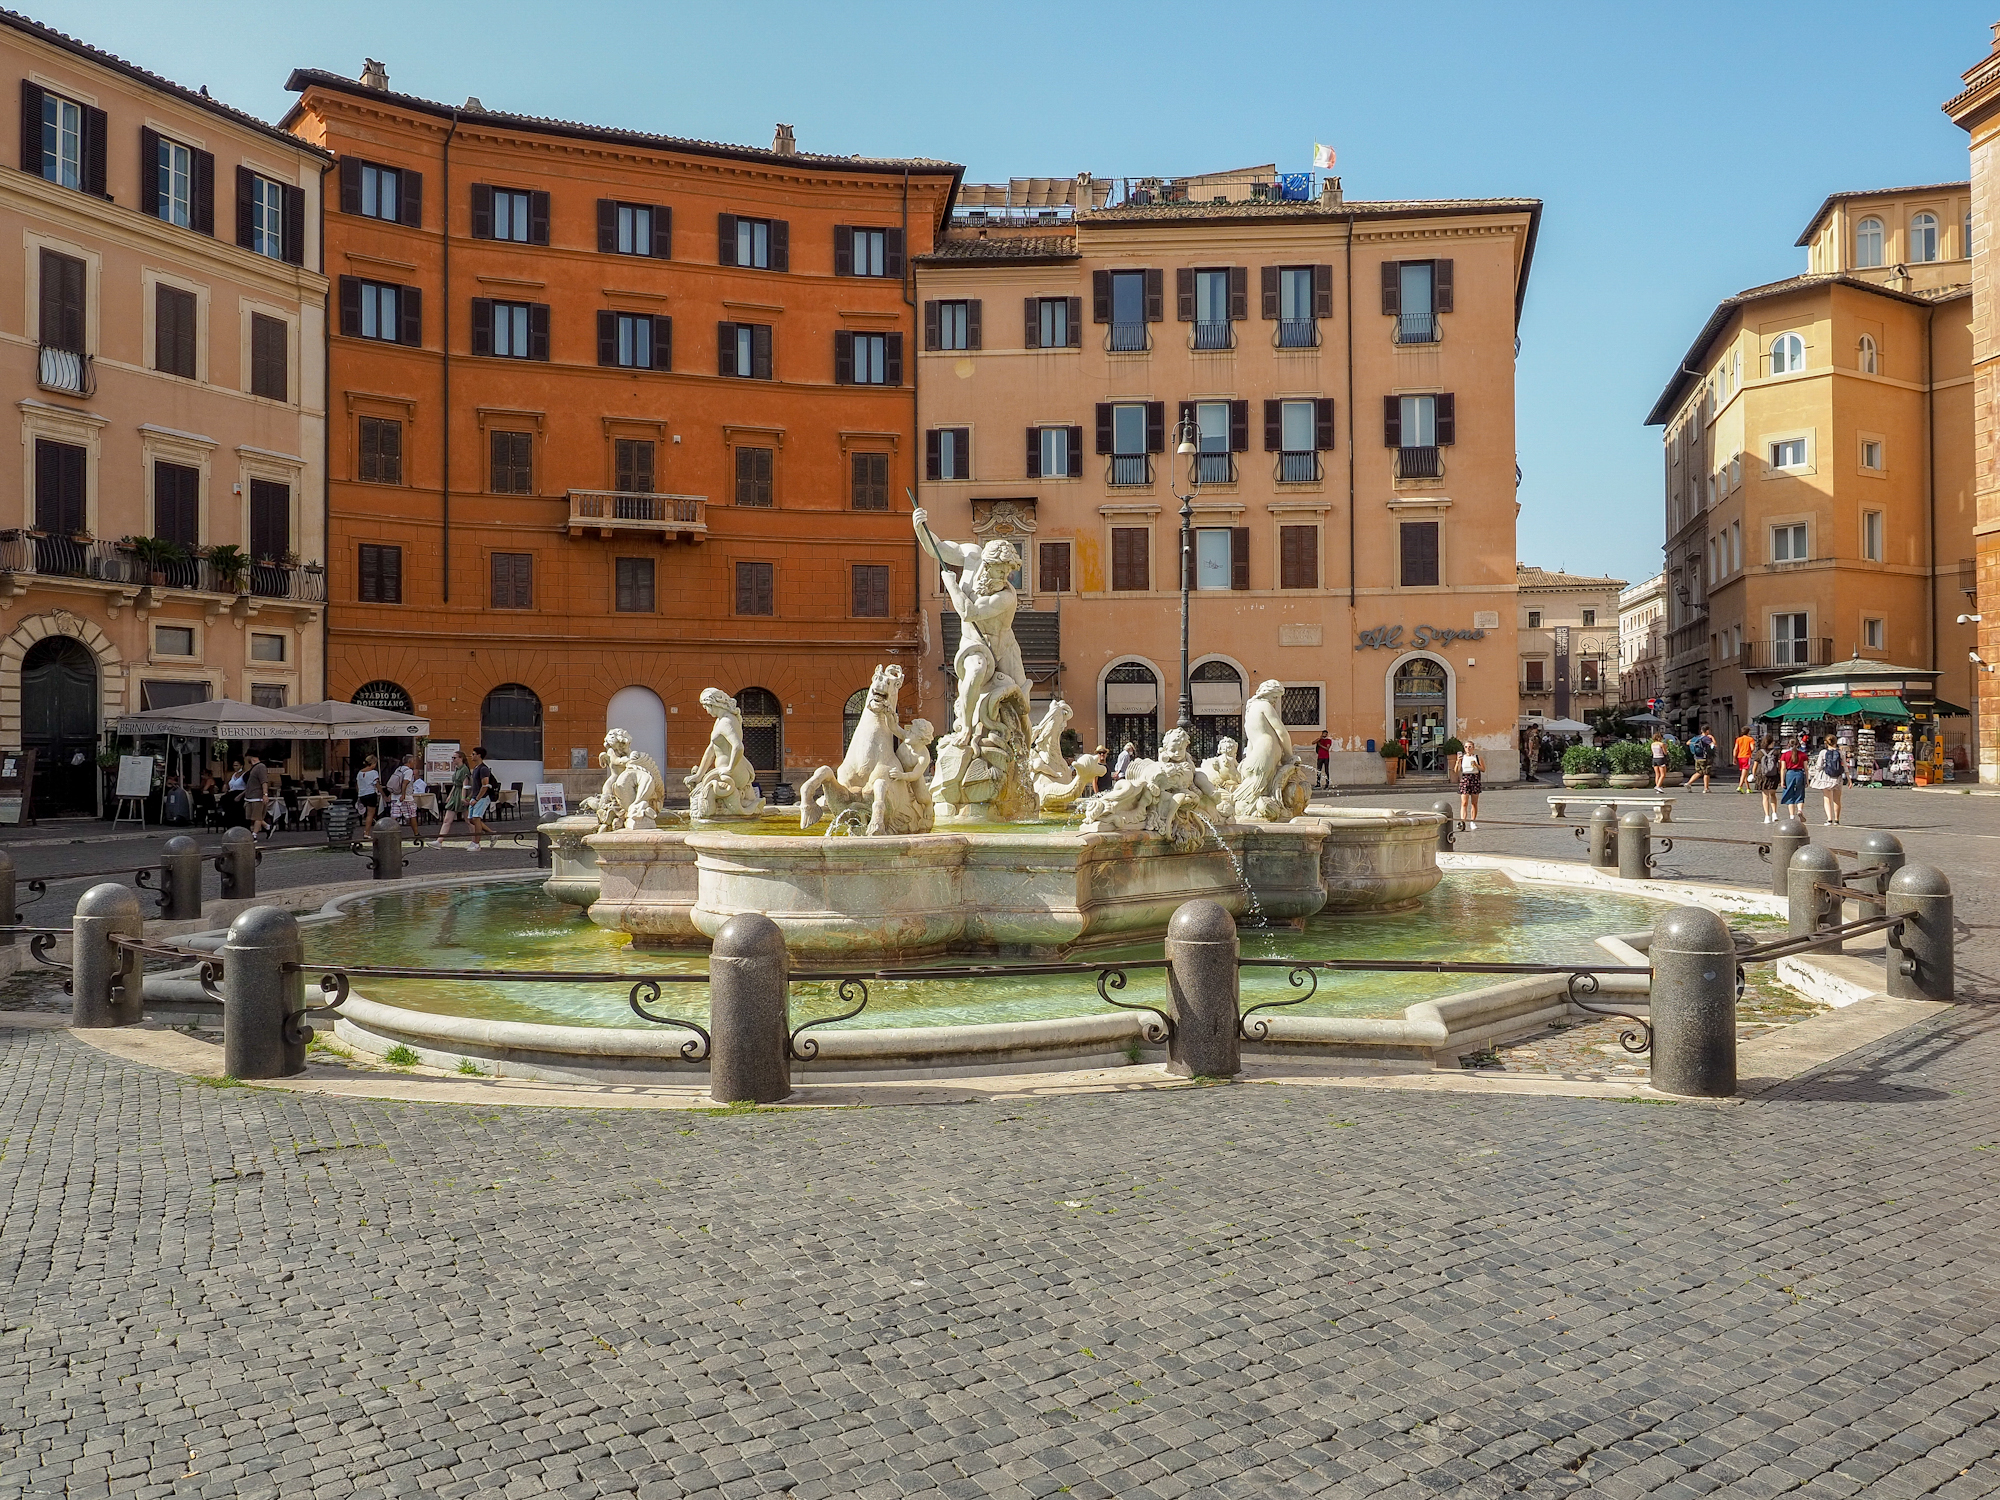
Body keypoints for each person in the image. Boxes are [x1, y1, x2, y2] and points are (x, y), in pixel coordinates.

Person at [464, 745, 498, 850]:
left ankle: (476, 843)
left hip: (483, 797)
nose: (471, 756)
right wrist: (470, 797)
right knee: (471, 819)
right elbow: (476, 786)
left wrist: (477, 799)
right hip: (475, 797)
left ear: (479, 756)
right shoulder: (476, 768)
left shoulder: (483, 769)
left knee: (476, 818)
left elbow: (485, 786)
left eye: (473, 754)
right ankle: (492, 834)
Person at [1810, 733, 1845, 826]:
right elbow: (1845, 766)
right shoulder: (1841, 752)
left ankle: (1829, 819)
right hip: (1837, 778)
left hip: (1826, 777)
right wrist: (1849, 779)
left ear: (1826, 743)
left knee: (1827, 798)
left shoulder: (1823, 752)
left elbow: (1819, 766)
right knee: (1837, 799)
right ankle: (1837, 820)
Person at [435, 750, 470, 842]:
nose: (452, 759)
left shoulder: (464, 770)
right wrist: (450, 795)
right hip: (455, 794)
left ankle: (477, 839)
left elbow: (465, 785)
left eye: (454, 758)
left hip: (461, 794)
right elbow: (455, 784)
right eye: (452, 758)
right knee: (447, 819)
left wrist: (463, 798)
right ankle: (439, 840)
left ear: (460, 758)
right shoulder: (457, 769)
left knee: (469, 820)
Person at [1779, 732, 1810, 816]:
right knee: (1800, 793)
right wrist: (1807, 780)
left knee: (1790, 794)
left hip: (1789, 774)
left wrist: (1782, 780)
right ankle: (1800, 810)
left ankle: (1792, 816)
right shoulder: (1803, 755)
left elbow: (1783, 768)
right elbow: (1806, 768)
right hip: (1800, 774)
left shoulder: (1785, 755)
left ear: (1788, 745)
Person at [1457, 739, 1484, 831]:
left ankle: (1472, 821)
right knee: (1464, 802)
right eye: (1466, 747)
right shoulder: (1462, 758)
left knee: (1474, 802)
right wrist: (1457, 761)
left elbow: (1483, 769)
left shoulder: (1477, 757)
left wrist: (1476, 765)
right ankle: (1463, 821)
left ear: (1473, 748)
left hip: (1475, 778)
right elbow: (1456, 770)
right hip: (1465, 778)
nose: (1468, 749)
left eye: (1470, 747)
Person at [385, 753, 418, 828]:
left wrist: (391, 793)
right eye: (414, 761)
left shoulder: (398, 769)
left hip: (395, 796)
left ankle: (389, 831)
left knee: (394, 815)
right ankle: (416, 834)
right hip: (406, 797)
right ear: (410, 762)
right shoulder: (409, 771)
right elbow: (404, 783)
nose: (414, 763)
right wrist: (403, 795)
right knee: (412, 815)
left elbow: (393, 782)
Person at [1756, 735, 1784, 823]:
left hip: (1763, 776)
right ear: (1771, 743)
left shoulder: (1760, 753)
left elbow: (1755, 765)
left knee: (1765, 797)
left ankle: (1766, 816)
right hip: (1773, 775)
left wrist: (1753, 774)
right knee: (1773, 795)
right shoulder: (1776, 752)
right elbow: (1780, 765)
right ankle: (1774, 813)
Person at [242, 754, 270, 839]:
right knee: (251, 816)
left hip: (257, 796)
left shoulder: (261, 767)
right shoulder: (253, 768)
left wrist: (265, 794)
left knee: (257, 816)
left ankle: (254, 834)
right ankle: (267, 826)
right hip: (250, 796)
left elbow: (264, 781)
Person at [1688, 725, 1715, 793]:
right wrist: (1712, 738)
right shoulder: (1705, 738)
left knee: (1699, 772)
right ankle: (1706, 788)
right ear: (1707, 731)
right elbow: (1713, 745)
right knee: (1706, 773)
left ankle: (1689, 783)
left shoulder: (1697, 737)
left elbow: (1688, 743)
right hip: (1704, 758)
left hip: (1697, 757)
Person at [1734, 727, 1757, 794]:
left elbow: (1735, 749)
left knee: (1745, 773)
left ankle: (1748, 788)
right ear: (1748, 732)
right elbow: (1752, 748)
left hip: (1740, 757)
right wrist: (1750, 751)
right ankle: (1740, 786)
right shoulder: (1750, 739)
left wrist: (1734, 758)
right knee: (1744, 773)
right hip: (1746, 756)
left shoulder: (1738, 739)